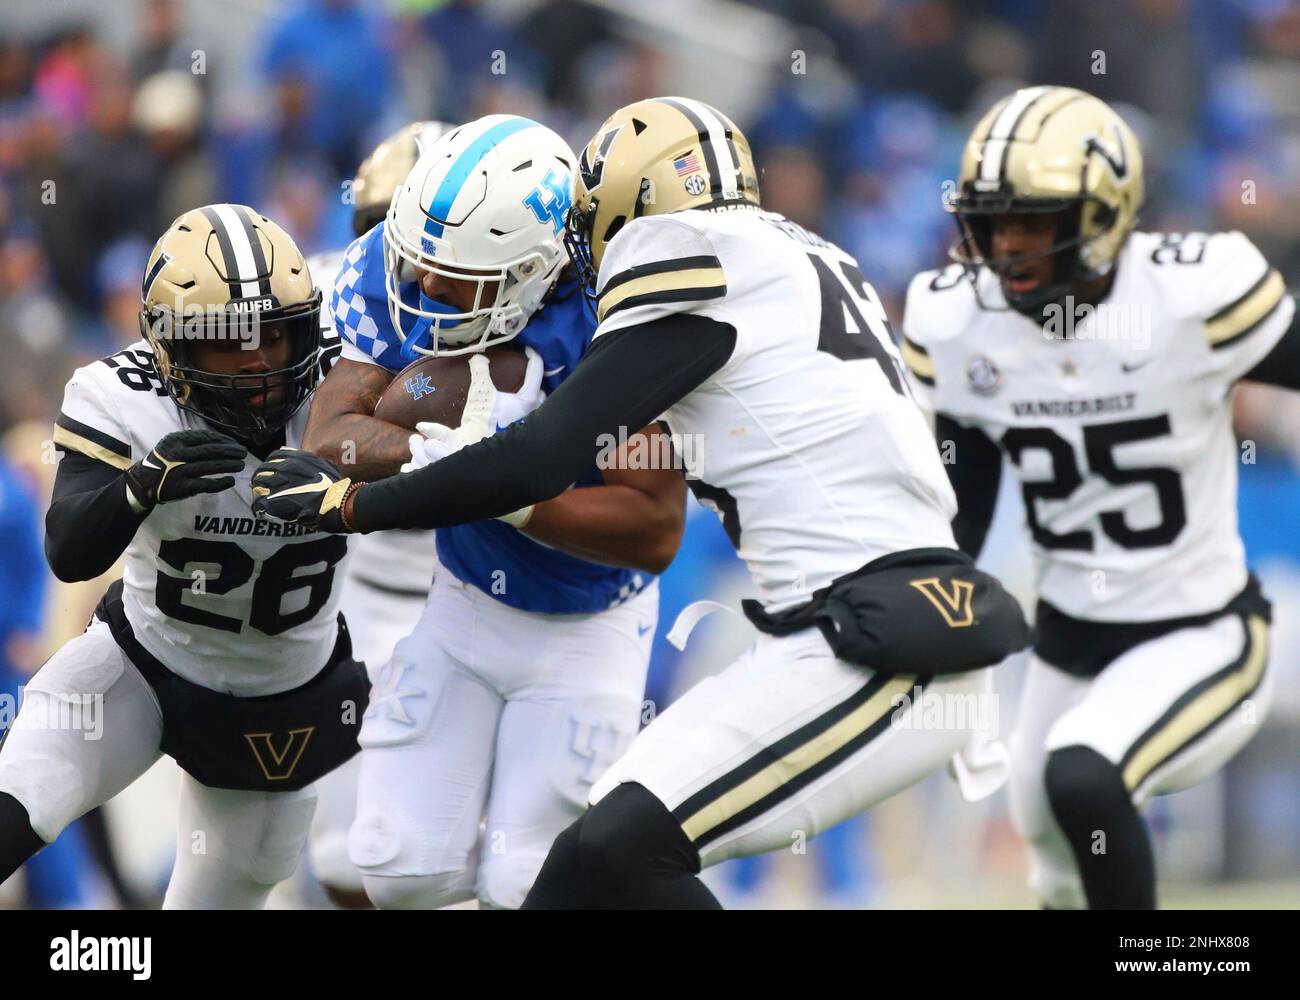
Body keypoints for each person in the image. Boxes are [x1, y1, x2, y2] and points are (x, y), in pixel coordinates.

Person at [250, 97, 1030, 909]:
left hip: (869, 633)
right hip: (842, 616)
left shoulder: (686, 255)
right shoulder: (803, 253)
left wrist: (351, 507)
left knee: (612, 855)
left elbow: (546, 458)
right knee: (582, 861)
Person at [901, 86, 1297, 908]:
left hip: (1203, 631)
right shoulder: (957, 322)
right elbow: (964, 498)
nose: (1008, 246)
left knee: (1083, 775)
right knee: (1055, 863)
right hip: (1066, 646)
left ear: (1103, 215)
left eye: (1033, 222)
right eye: (992, 221)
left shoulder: (1191, 294)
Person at [296, 114, 686, 909]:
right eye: (419, 264)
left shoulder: (613, 312)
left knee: (524, 882)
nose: (426, 291)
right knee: (396, 869)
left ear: (535, 271)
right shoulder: (388, 269)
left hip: (587, 625)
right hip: (464, 601)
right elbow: (330, 438)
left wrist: (508, 493)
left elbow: (653, 529)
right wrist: (451, 464)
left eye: (456, 277)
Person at [0, 204, 364, 909]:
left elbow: (449, 477)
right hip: (143, 660)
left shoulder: (351, 386)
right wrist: (136, 491)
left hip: (278, 697)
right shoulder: (124, 397)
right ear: (170, 349)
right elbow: (69, 549)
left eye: (276, 333)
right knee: (21, 799)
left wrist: (358, 487)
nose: (258, 358)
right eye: (228, 340)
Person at [303, 120, 451, 908]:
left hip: (475, 601)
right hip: (346, 599)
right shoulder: (325, 295)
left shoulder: (527, 318)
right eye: (382, 235)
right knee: (347, 864)